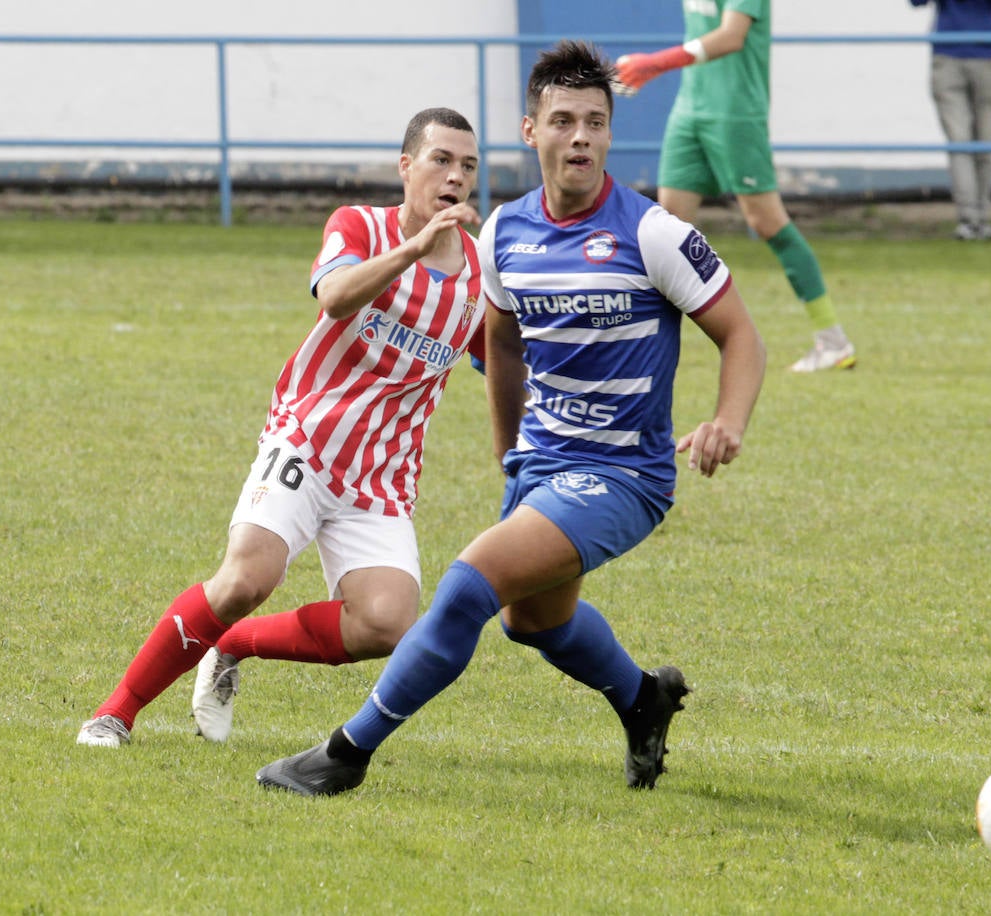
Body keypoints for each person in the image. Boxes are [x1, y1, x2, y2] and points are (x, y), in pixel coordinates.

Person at [254, 39, 766, 796]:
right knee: (534, 625)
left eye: (595, 121)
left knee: (468, 587)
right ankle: (642, 699)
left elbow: (742, 335)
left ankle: (345, 754)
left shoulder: (652, 233)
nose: (581, 136)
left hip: (624, 475)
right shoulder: (504, 234)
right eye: (563, 120)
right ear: (533, 131)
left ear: (609, 133)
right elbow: (502, 343)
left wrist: (729, 419)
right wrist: (512, 459)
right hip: (544, 467)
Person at [75, 107, 487, 748]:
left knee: (386, 624)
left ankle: (233, 645)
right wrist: (412, 247)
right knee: (245, 579)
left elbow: (502, 359)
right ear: (406, 167)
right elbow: (335, 295)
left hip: (381, 475)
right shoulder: (360, 225)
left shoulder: (481, 277)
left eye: (468, 165)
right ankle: (115, 712)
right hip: (306, 438)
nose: (455, 176)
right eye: (441, 160)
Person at [613, 0, 855, 374]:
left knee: (766, 223)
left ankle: (834, 341)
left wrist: (655, 63)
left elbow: (731, 37)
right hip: (690, 109)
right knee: (666, 227)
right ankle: (643, 345)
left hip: (736, 112)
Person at [910, 0, 991, 241]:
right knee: (983, 144)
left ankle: (969, 219)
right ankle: (979, 218)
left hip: (950, 54)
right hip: (986, 52)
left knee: (961, 145)